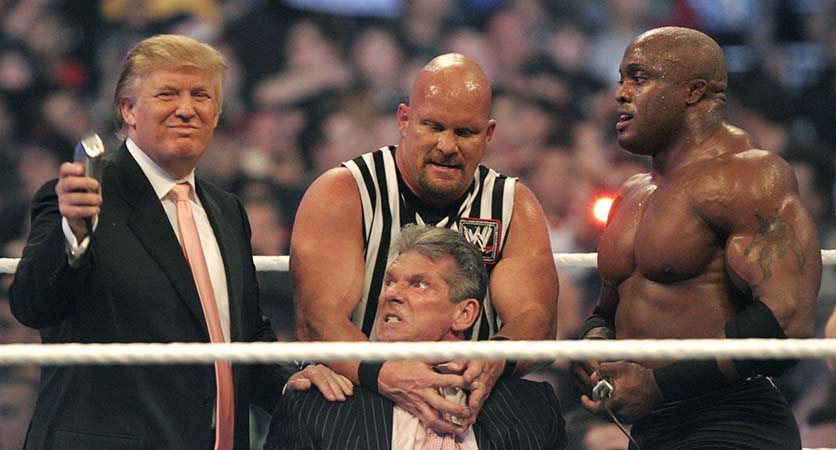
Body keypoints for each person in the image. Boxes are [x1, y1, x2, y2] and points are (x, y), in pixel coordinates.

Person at [8, 34, 320, 450]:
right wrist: (75, 233)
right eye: (168, 94)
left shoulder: (226, 210)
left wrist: (295, 386)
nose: (186, 109)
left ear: (217, 112)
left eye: (201, 95)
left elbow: (243, 336)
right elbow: (32, 305)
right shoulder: (83, 195)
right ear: (128, 110)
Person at [571, 27, 822, 449]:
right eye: (621, 80)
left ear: (693, 92)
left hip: (733, 421)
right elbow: (609, 307)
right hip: (650, 427)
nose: (621, 94)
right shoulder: (633, 193)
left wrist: (659, 383)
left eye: (639, 77)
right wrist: (595, 346)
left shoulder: (750, 176)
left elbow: (788, 323)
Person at [290, 52, 558, 434]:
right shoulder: (343, 193)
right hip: (361, 406)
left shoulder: (514, 206)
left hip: (469, 405)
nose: (447, 146)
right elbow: (318, 319)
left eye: (464, 132)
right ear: (404, 120)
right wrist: (389, 374)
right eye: (433, 127)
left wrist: (493, 359)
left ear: (489, 134)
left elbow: (538, 320)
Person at [266, 225, 567, 449]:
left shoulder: (532, 408)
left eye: (419, 284)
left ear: (464, 314)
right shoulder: (320, 405)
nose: (393, 294)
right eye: (390, 281)